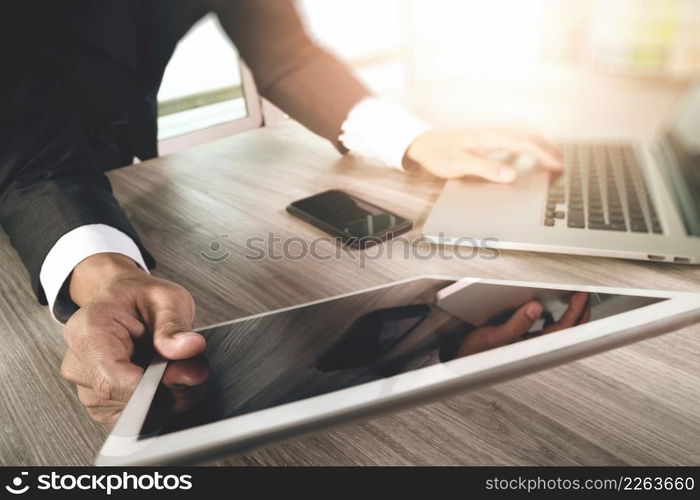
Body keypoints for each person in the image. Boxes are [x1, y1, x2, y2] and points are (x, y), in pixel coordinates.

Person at [0, 0, 562, 423]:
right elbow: (33, 166)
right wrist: (103, 273)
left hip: (113, 166)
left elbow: (286, 53)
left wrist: (416, 140)